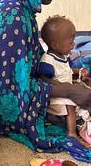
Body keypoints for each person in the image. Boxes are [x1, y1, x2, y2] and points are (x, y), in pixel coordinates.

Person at [0, 0, 91, 162]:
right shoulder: (14, 20)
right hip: (1, 108)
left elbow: (35, 66)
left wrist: (70, 77)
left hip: (14, 90)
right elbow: (9, 93)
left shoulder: (24, 12)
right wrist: (70, 91)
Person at [39, 16, 91, 145]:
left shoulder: (63, 55)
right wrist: (65, 87)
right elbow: (44, 79)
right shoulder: (48, 60)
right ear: (55, 45)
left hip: (66, 88)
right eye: (70, 43)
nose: (73, 45)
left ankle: (82, 118)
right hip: (56, 96)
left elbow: (65, 69)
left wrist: (78, 72)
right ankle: (72, 132)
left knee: (87, 85)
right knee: (71, 105)